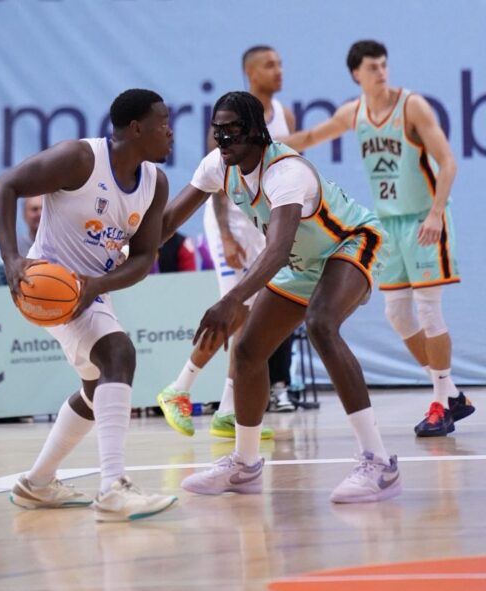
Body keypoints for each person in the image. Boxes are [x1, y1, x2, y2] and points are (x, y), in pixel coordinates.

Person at [163, 91, 400, 503]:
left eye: (232, 130)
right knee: (249, 351)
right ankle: (245, 465)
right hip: (304, 259)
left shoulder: (286, 172)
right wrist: (119, 250)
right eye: (217, 130)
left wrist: (232, 299)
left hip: (349, 242)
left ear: (255, 130)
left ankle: (379, 463)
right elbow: (167, 221)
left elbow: (275, 251)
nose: (222, 139)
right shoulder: (219, 166)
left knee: (322, 324)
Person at [0, 88, 178, 521]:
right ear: (136, 128)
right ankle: (112, 487)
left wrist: (98, 286)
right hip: (48, 283)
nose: (170, 131)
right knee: (118, 353)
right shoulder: (80, 160)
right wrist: (13, 258)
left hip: (89, 290)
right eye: (162, 122)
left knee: (97, 388)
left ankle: (37, 483)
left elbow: (146, 256)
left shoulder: (155, 182)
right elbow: (5, 186)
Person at [281, 40, 474, 437]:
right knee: (396, 313)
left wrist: (437, 213)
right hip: (389, 223)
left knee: (428, 310)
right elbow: (314, 136)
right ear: (356, 74)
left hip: (424, 219)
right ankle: (451, 392)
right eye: (373, 67)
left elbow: (448, 161)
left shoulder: (412, 106)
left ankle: (441, 401)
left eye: (384, 65)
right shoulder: (354, 113)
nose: (382, 73)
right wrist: (269, 147)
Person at [157, 45, 297, 441]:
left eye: (280, 62)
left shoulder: (285, 116)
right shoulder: (230, 120)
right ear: (251, 73)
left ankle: (228, 411)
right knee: (233, 312)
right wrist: (225, 234)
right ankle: (179, 389)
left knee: (249, 320)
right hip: (230, 227)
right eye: (271, 64)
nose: (279, 70)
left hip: (261, 227)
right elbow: (216, 182)